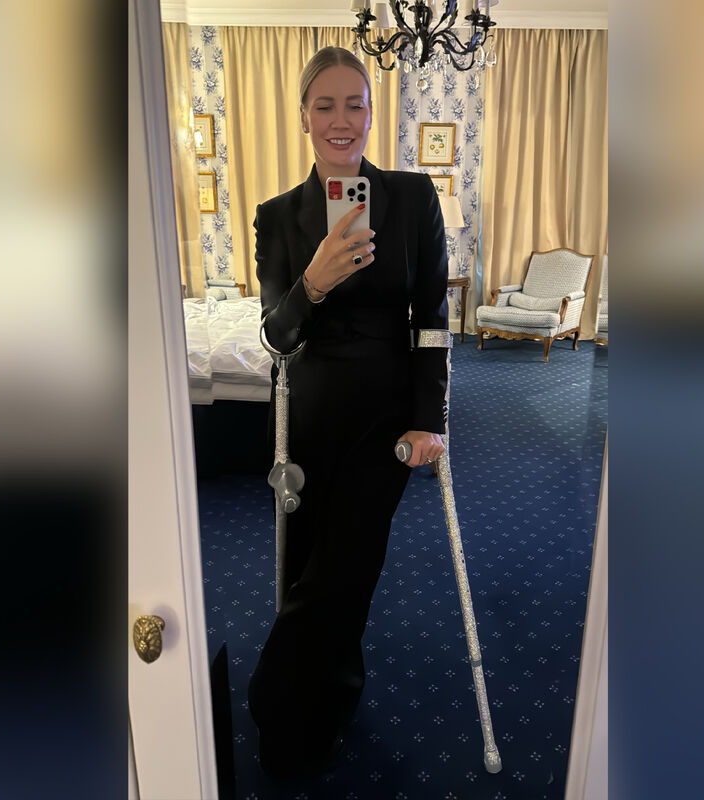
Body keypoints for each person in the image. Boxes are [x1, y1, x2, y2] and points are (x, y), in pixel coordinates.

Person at [247, 45, 450, 779]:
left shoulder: (413, 199)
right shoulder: (277, 217)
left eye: (355, 103)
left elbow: (432, 319)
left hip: (385, 419)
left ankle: (273, 701)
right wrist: (313, 282)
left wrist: (430, 416)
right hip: (308, 417)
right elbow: (275, 338)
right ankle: (333, 695)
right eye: (325, 104)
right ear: (304, 116)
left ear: (371, 112)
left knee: (347, 565)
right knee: (312, 566)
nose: (342, 119)